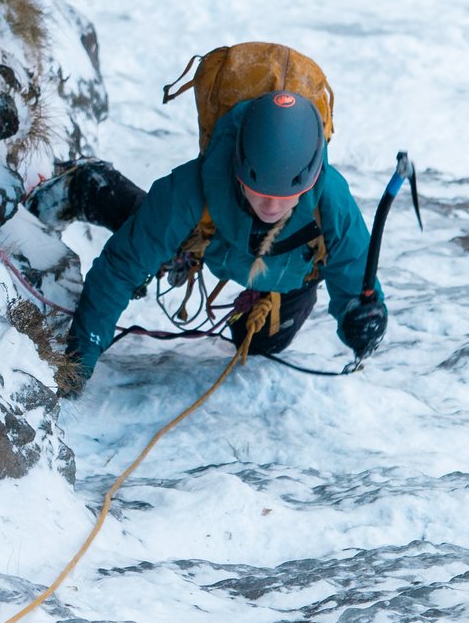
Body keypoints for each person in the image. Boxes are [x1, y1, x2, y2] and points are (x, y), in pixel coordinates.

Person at [35, 86, 389, 394]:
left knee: (264, 343)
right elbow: (120, 268)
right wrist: (80, 358)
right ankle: (91, 185)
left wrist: (363, 319)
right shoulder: (191, 189)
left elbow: (358, 280)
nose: (271, 205)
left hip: (288, 271)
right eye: (259, 191)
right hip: (211, 244)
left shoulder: (332, 202)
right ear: (238, 170)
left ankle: (256, 299)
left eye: (285, 196)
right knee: (149, 232)